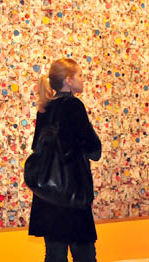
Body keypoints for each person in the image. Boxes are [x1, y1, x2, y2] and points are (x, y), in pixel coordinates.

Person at [28, 58, 102, 262]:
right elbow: (93, 149)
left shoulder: (45, 108)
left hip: (48, 193)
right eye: (80, 75)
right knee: (84, 254)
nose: (83, 79)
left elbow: (37, 147)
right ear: (68, 80)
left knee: (54, 254)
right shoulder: (73, 105)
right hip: (72, 191)